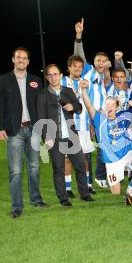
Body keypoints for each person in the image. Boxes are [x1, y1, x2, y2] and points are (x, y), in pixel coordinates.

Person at [0, 46, 48, 218]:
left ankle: (36, 199)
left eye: (24, 58)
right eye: (18, 57)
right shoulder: (3, 80)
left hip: (32, 129)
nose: (21, 60)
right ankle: (17, 206)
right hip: (13, 130)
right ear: (13, 59)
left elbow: (40, 107)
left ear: (28, 61)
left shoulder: (35, 80)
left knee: (34, 167)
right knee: (15, 171)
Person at [80, 77, 132, 197]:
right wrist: (84, 90)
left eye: (112, 105)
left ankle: (130, 189)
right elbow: (89, 105)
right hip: (112, 161)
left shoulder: (125, 115)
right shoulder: (99, 119)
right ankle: (121, 175)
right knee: (116, 193)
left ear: (117, 107)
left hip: (127, 154)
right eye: (107, 105)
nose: (109, 107)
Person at [37, 64, 94, 206]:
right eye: (50, 75)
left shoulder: (68, 91)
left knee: (81, 165)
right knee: (59, 169)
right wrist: (46, 137)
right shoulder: (43, 94)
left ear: (61, 75)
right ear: (47, 78)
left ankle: (84, 194)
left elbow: (80, 109)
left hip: (71, 135)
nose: (53, 77)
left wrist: (72, 107)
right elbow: (40, 118)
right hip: (54, 137)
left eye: (55, 74)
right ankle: (63, 198)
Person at [73, 18, 112, 188]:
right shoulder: (88, 70)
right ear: (93, 62)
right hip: (89, 117)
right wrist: (79, 35)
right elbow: (79, 55)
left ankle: (99, 176)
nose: (100, 63)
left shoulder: (102, 76)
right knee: (88, 151)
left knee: (103, 147)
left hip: (100, 117)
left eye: (103, 61)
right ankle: (91, 181)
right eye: (98, 61)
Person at [61, 55, 96, 198]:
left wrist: (92, 124)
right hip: (67, 126)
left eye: (80, 66)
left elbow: (89, 105)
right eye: (74, 66)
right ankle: (68, 188)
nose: (77, 68)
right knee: (67, 158)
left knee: (85, 158)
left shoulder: (86, 83)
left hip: (83, 127)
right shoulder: (63, 82)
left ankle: (87, 186)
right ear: (69, 67)